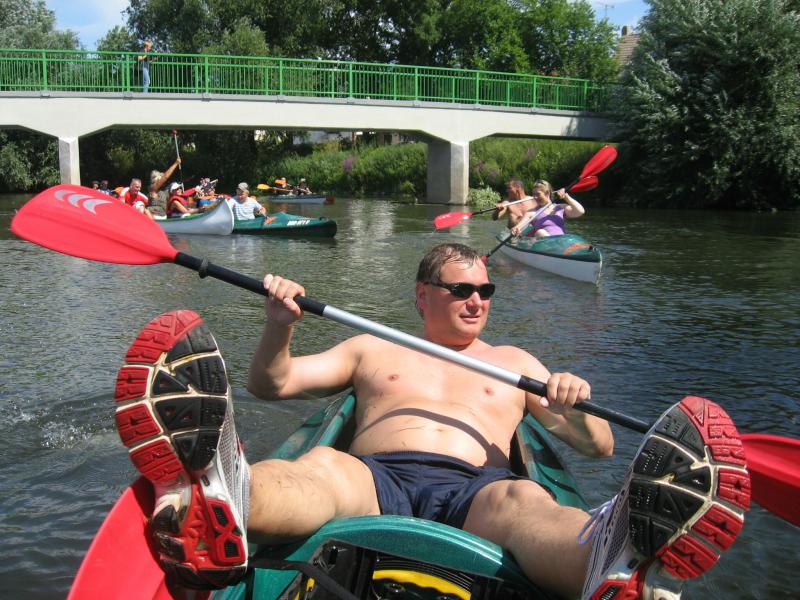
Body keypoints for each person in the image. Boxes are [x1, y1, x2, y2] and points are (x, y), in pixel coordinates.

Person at [114, 242, 749, 597]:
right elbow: (272, 384)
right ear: (423, 296)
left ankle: (611, 562)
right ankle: (228, 494)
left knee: (525, 502)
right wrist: (279, 326)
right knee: (322, 468)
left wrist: (570, 407)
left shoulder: (517, 362)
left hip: (478, 492)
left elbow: (600, 446)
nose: (477, 300)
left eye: (486, 291)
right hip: (375, 478)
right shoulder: (373, 346)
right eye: (461, 290)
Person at [505, 179, 586, 239]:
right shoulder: (532, 213)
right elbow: (519, 226)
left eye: (538, 194)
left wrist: (566, 197)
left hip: (561, 243)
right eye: (533, 194)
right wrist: (515, 229)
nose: (535, 197)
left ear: (547, 193)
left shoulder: (560, 208)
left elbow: (580, 211)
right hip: (544, 246)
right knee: (541, 233)